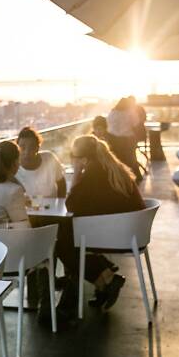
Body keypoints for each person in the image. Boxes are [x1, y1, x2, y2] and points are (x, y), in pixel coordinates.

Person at [51, 135, 145, 317]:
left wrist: (77, 174)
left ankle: (104, 278)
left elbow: (71, 205)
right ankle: (105, 277)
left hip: (114, 236)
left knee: (62, 243)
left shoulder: (92, 175)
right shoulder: (116, 169)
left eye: (74, 157)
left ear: (83, 159)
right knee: (70, 237)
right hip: (133, 234)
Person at [15, 126, 67, 198]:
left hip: (52, 208)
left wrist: (60, 205)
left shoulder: (49, 158)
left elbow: (61, 183)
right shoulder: (13, 168)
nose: (27, 152)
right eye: (22, 147)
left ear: (38, 148)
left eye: (32, 147)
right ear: (17, 148)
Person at [106, 98, 142, 179]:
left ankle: (119, 176)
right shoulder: (130, 112)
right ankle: (134, 176)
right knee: (131, 158)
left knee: (117, 158)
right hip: (127, 139)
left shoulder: (112, 112)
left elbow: (109, 125)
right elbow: (136, 123)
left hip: (113, 139)